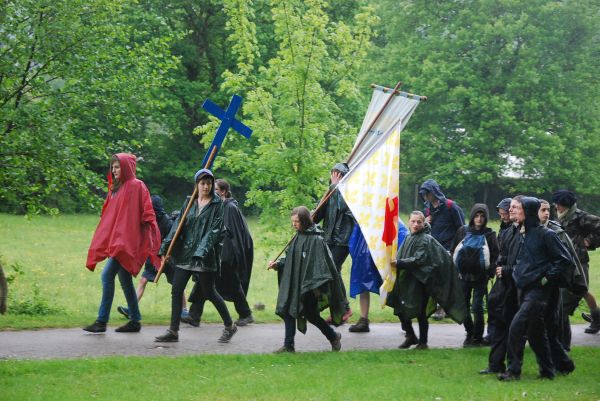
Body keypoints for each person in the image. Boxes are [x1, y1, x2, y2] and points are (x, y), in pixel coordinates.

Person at [154, 169, 237, 343]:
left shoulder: (218, 205)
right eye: (202, 183)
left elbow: (214, 232)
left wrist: (201, 252)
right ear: (197, 185)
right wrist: (165, 247)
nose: (206, 187)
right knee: (176, 290)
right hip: (186, 253)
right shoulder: (189, 202)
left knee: (209, 292)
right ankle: (173, 331)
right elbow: (178, 226)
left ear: (212, 185)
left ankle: (230, 326)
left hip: (205, 256)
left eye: (208, 183)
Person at [84, 153, 161, 333]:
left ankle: (102, 321)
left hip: (127, 243)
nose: (114, 170)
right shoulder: (116, 188)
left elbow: (146, 212)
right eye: (112, 167)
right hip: (118, 241)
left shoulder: (137, 186)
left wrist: (147, 235)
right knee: (125, 279)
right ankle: (135, 321)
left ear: (126, 167)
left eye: (117, 166)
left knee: (107, 276)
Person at [498, 196, 572, 381]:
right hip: (523, 289)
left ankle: (513, 371)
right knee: (535, 333)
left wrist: (546, 279)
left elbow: (564, 260)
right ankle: (548, 372)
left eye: (517, 208)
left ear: (528, 211)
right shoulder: (521, 234)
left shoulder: (546, 234)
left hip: (538, 292)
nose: (512, 211)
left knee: (516, 327)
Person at [269, 206, 345, 353]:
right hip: (296, 283)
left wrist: (316, 287)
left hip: (310, 287)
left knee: (311, 315)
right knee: (288, 310)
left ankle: (333, 336)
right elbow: (292, 259)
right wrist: (278, 264)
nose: (294, 225)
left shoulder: (316, 240)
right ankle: (289, 345)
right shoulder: (298, 236)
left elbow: (319, 266)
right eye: (292, 222)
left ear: (304, 220)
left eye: (297, 221)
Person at [386, 211, 467, 350]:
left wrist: (399, 263)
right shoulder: (409, 237)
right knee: (400, 308)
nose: (416, 224)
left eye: (419, 222)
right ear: (409, 221)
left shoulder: (424, 239)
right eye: (413, 221)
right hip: (408, 281)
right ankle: (411, 336)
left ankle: (423, 342)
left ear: (424, 223)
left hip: (421, 282)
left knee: (420, 313)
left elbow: (419, 259)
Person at [183, 179, 254, 327]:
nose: (210, 191)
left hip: (226, 256)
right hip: (214, 253)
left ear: (223, 192)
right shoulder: (216, 206)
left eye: (215, 189)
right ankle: (194, 316)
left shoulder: (229, 208)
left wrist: (224, 258)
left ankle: (245, 314)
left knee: (232, 284)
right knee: (203, 282)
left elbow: (231, 235)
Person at [117, 195, 190, 320]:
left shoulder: (167, 222)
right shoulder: (150, 220)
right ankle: (131, 309)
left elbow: (172, 241)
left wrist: (167, 255)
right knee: (143, 281)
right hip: (153, 257)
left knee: (176, 285)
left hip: (168, 259)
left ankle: (184, 310)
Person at [538, 199, 582, 370]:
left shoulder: (556, 232)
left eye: (548, 209)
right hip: (541, 284)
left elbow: (567, 260)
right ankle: (557, 358)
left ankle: (563, 354)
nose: (547, 213)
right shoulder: (531, 230)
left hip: (556, 282)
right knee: (550, 320)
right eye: (543, 210)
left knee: (558, 317)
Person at [552, 189, 600, 334]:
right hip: (565, 261)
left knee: (579, 290)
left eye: (559, 204)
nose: (556, 207)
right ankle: (597, 317)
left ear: (566, 204)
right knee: (582, 290)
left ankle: (595, 319)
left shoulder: (581, 217)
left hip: (579, 261)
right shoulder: (560, 217)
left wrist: (589, 242)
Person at [451, 204, 499, 347]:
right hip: (463, 277)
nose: (479, 219)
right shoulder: (462, 231)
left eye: (482, 216)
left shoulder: (490, 235)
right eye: (477, 216)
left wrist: (490, 272)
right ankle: (469, 333)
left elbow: (496, 255)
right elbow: (453, 250)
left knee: (477, 307)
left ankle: (477, 337)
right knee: (464, 306)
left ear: (486, 218)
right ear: (472, 216)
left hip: (481, 278)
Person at [313, 162, 355, 322]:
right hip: (329, 238)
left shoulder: (349, 193)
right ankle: (339, 310)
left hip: (342, 239)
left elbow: (344, 207)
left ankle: (344, 309)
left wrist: (335, 187)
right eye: (334, 174)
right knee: (329, 274)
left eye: (339, 175)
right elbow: (317, 217)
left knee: (333, 271)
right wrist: (311, 214)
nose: (335, 177)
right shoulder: (331, 192)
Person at [418, 179, 465, 320]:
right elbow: (421, 230)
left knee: (445, 280)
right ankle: (436, 307)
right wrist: (426, 222)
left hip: (449, 249)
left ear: (434, 192)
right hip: (433, 249)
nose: (425, 196)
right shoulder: (427, 210)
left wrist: (456, 249)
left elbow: (462, 228)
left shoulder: (451, 207)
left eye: (427, 193)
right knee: (434, 279)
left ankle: (442, 309)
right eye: (424, 194)